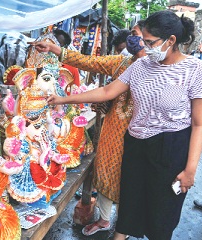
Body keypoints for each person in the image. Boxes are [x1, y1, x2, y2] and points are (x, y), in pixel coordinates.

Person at [30, 10, 202, 240]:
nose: (144, 46)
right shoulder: (141, 66)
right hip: (135, 144)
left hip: (171, 147)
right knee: (130, 202)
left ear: (171, 40)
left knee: (162, 212)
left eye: (149, 42)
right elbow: (107, 91)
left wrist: (190, 170)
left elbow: (199, 124)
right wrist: (62, 99)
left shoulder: (197, 70)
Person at [34, 21, 145, 236]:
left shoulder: (157, 70)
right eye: (132, 33)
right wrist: (56, 49)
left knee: (131, 181)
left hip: (139, 134)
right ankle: (104, 220)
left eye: (138, 34)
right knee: (105, 173)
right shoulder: (121, 63)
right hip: (114, 130)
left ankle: (124, 226)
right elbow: (88, 62)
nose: (133, 38)